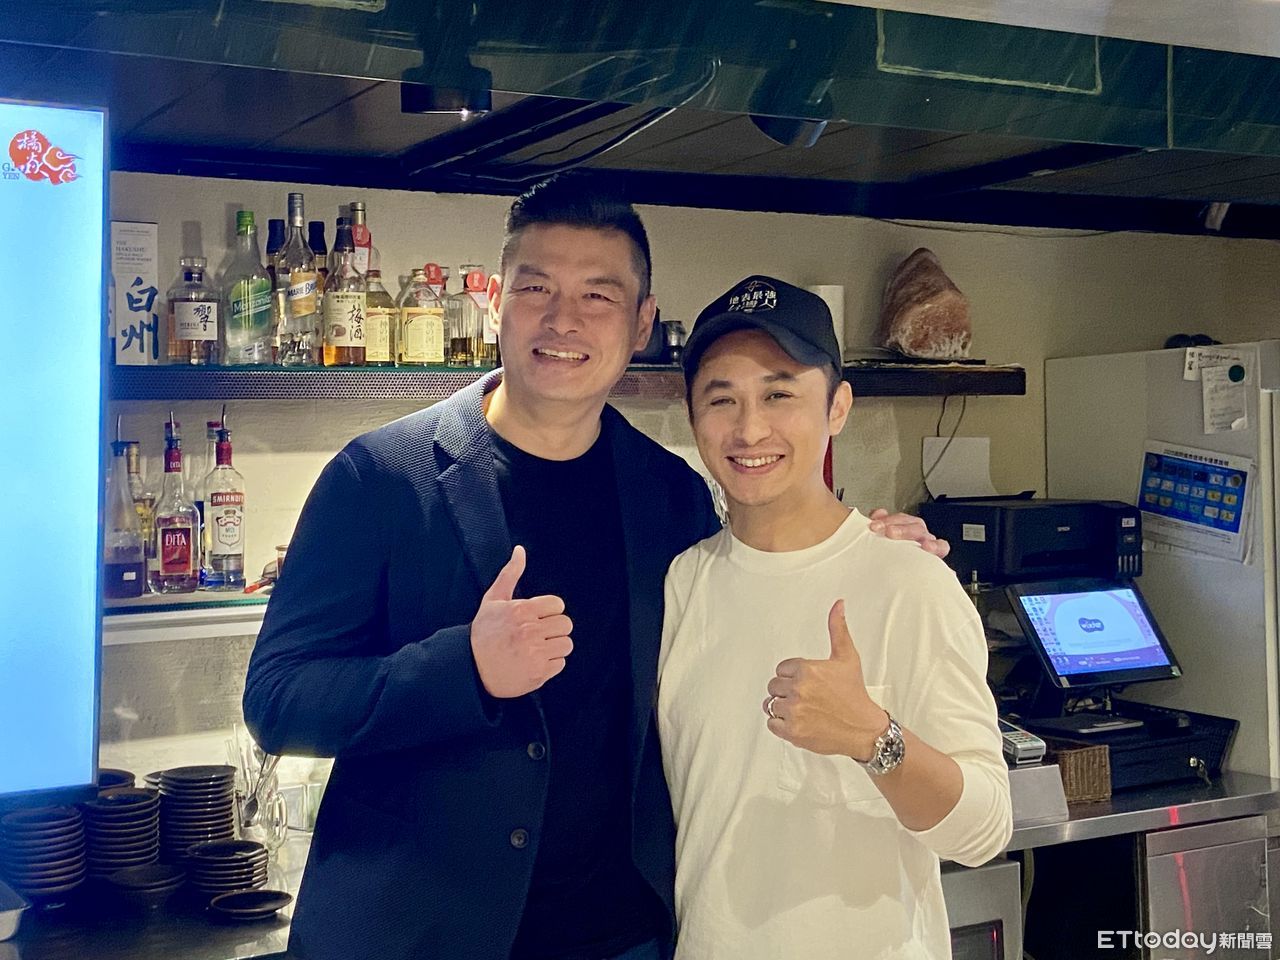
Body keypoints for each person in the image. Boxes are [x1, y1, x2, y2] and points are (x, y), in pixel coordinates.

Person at [242, 176, 947, 960]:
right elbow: (278, 699)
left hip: (618, 938)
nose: (563, 319)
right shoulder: (380, 477)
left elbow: (762, 584)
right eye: (535, 288)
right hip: (415, 936)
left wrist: (869, 548)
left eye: (598, 296)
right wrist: (465, 668)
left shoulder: (671, 496)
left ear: (642, 321)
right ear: (497, 303)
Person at [658, 277, 1012, 960]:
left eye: (780, 394)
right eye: (722, 399)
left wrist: (875, 739)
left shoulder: (908, 580)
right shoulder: (682, 583)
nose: (749, 429)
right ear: (693, 417)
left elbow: (984, 830)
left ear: (838, 406)